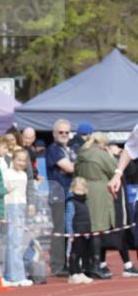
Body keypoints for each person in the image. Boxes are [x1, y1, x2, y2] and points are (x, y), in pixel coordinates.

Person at [74, 131, 116, 279]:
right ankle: (96, 265)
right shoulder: (101, 154)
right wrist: (110, 154)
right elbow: (115, 170)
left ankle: (85, 264)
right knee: (97, 229)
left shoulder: (81, 153)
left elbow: (75, 173)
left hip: (83, 190)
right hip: (99, 193)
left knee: (86, 230)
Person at [45, 118, 75, 276]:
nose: (64, 134)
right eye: (60, 132)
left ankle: (64, 262)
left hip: (68, 194)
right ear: (54, 133)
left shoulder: (69, 149)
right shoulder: (54, 149)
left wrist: (72, 167)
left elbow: (72, 167)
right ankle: (57, 265)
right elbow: (70, 167)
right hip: (58, 194)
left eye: (66, 132)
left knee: (66, 230)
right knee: (59, 230)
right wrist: (73, 167)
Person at [2, 149, 33, 286]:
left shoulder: (24, 175)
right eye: (18, 159)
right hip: (11, 206)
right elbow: (5, 190)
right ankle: (13, 275)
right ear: (13, 159)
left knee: (19, 242)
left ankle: (17, 273)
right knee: (13, 241)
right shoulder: (7, 173)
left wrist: (27, 206)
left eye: (23, 160)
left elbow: (23, 192)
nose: (21, 163)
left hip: (20, 206)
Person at [65, 177, 94, 285]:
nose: (80, 193)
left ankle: (80, 271)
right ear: (72, 189)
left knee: (82, 253)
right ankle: (73, 273)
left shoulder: (85, 202)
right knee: (74, 253)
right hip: (76, 232)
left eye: (82, 190)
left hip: (85, 232)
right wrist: (70, 233)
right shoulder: (71, 202)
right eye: (78, 190)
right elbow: (68, 219)